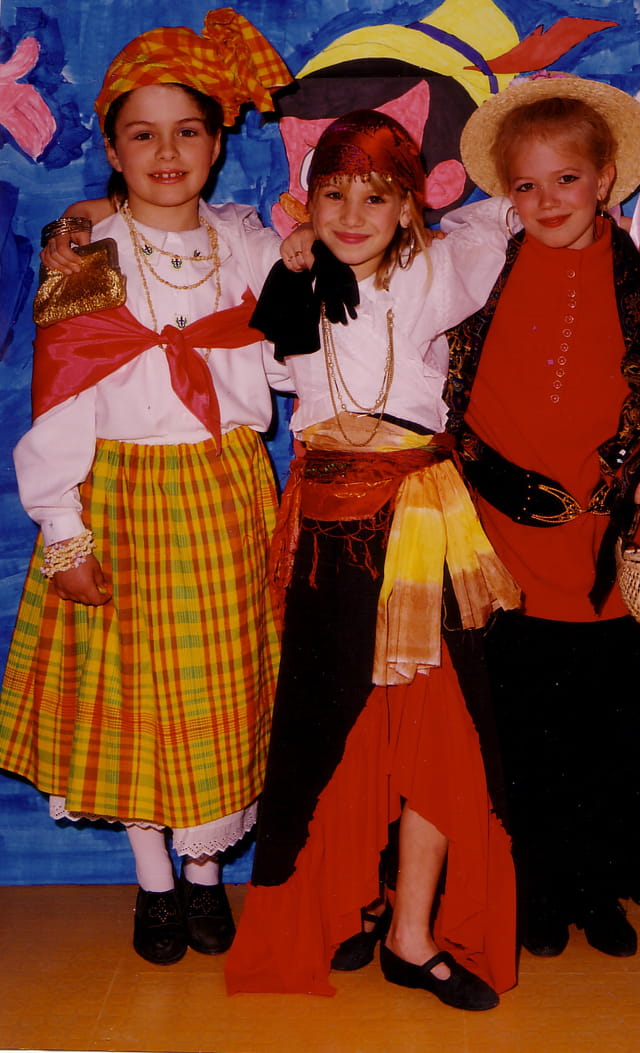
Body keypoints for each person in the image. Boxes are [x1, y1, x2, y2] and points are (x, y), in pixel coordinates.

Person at [0, 9, 295, 966]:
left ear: (217, 142)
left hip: (226, 493)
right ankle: (155, 882)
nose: (167, 153)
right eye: (143, 134)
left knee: (219, 691)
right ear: (113, 149)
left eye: (187, 131)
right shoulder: (89, 258)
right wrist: (64, 530)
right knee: (136, 695)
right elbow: (59, 403)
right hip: (124, 495)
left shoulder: (245, 246)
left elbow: (299, 347)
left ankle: (206, 875)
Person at [224, 110, 523, 1011]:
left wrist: (629, 234)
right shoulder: (284, 273)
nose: (353, 215)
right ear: (305, 202)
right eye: (334, 195)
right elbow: (200, 222)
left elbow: (510, 210)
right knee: (332, 725)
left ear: (408, 207)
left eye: (377, 197)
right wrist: (83, 217)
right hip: (327, 529)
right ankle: (343, 900)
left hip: (422, 520)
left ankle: (413, 931)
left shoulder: (442, 268)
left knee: (442, 728)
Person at [443, 73, 640, 959]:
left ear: (605, 178)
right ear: (505, 194)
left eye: (566, 179)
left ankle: (597, 887)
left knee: (604, 726)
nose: (547, 200)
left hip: (603, 541)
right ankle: (532, 885)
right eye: (525, 185)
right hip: (498, 538)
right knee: (516, 723)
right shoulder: (478, 264)